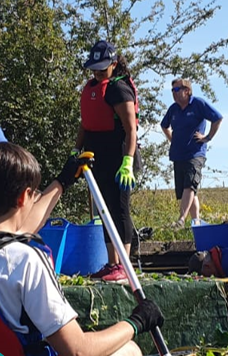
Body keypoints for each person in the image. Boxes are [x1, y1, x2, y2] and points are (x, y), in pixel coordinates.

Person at [0, 142, 165, 356]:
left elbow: (17, 226)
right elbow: (78, 351)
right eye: (34, 195)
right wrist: (137, 322)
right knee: (129, 350)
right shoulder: (25, 260)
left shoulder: (11, 251)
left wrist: (63, 180)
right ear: (24, 197)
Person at [74, 40, 141, 282]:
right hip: (96, 157)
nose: (97, 72)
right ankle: (113, 263)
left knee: (119, 208)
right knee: (104, 210)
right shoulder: (91, 87)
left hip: (120, 156)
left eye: (102, 68)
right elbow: (85, 123)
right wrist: (75, 149)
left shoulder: (119, 89)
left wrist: (128, 162)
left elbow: (130, 129)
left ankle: (124, 265)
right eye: (94, 68)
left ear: (113, 64)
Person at [160, 78, 223, 228]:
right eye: (172, 91)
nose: (174, 94)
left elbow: (217, 118)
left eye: (176, 90)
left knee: (190, 185)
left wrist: (207, 137)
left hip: (195, 153)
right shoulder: (173, 109)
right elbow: (164, 126)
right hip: (178, 154)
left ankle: (181, 220)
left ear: (187, 91)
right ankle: (196, 222)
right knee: (186, 191)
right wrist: (172, 139)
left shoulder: (198, 104)